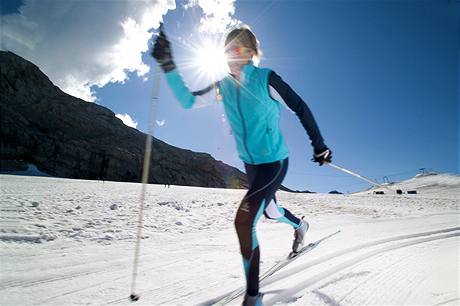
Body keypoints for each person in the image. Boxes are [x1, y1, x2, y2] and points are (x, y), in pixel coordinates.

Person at [152, 25, 332, 306]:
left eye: (239, 49)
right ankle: (300, 225)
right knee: (271, 212)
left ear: (251, 53)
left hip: (274, 162)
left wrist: (319, 145)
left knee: (244, 221)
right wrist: (168, 64)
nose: (232, 54)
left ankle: (253, 296)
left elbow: (300, 106)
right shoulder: (224, 88)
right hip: (251, 165)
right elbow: (188, 101)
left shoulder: (266, 80)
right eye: (227, 49)